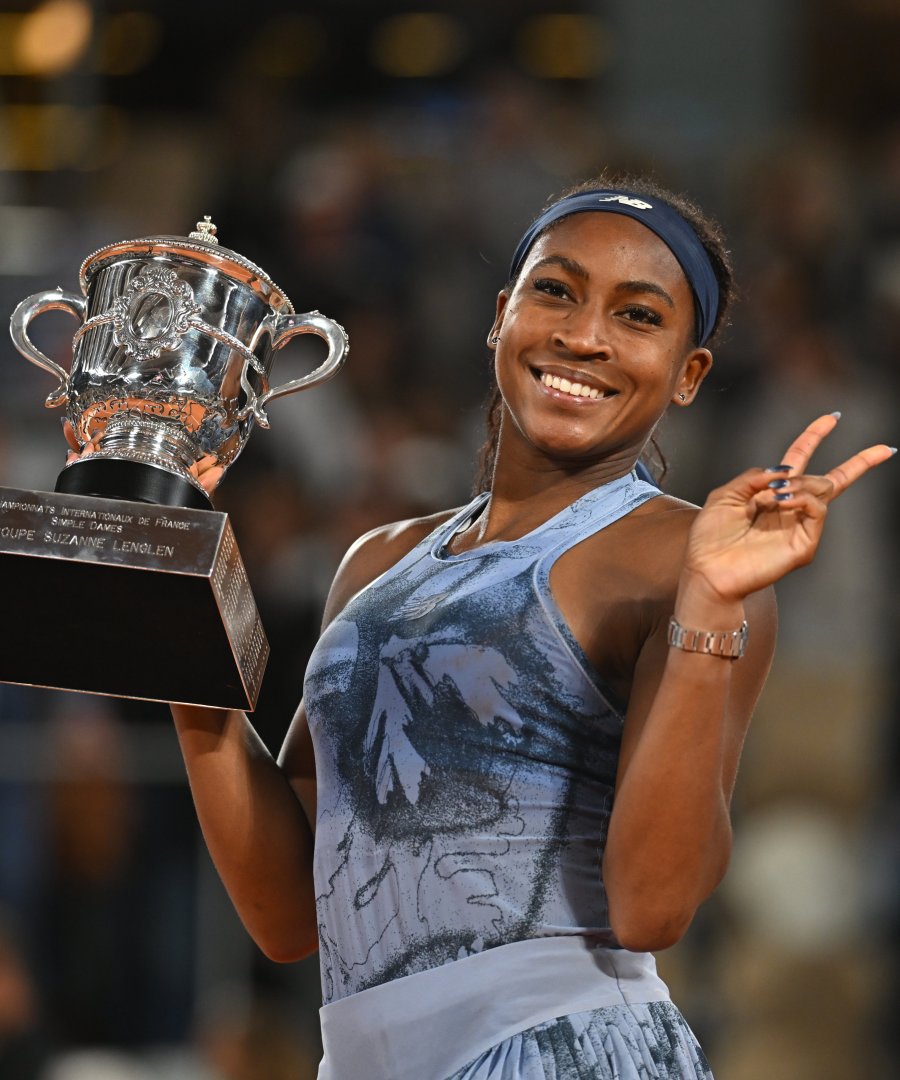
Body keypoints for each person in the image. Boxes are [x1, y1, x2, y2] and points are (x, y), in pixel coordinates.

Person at [98, 176, 893, 1079]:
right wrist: (187, 666)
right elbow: (288, 916)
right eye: (555, 290)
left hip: (568, 1051)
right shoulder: (376, 562)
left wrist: (709, 608)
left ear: (689, 373)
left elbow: (653, 910)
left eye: (638, 316)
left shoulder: (687, 558)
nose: (583, 336)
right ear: (499, 315)